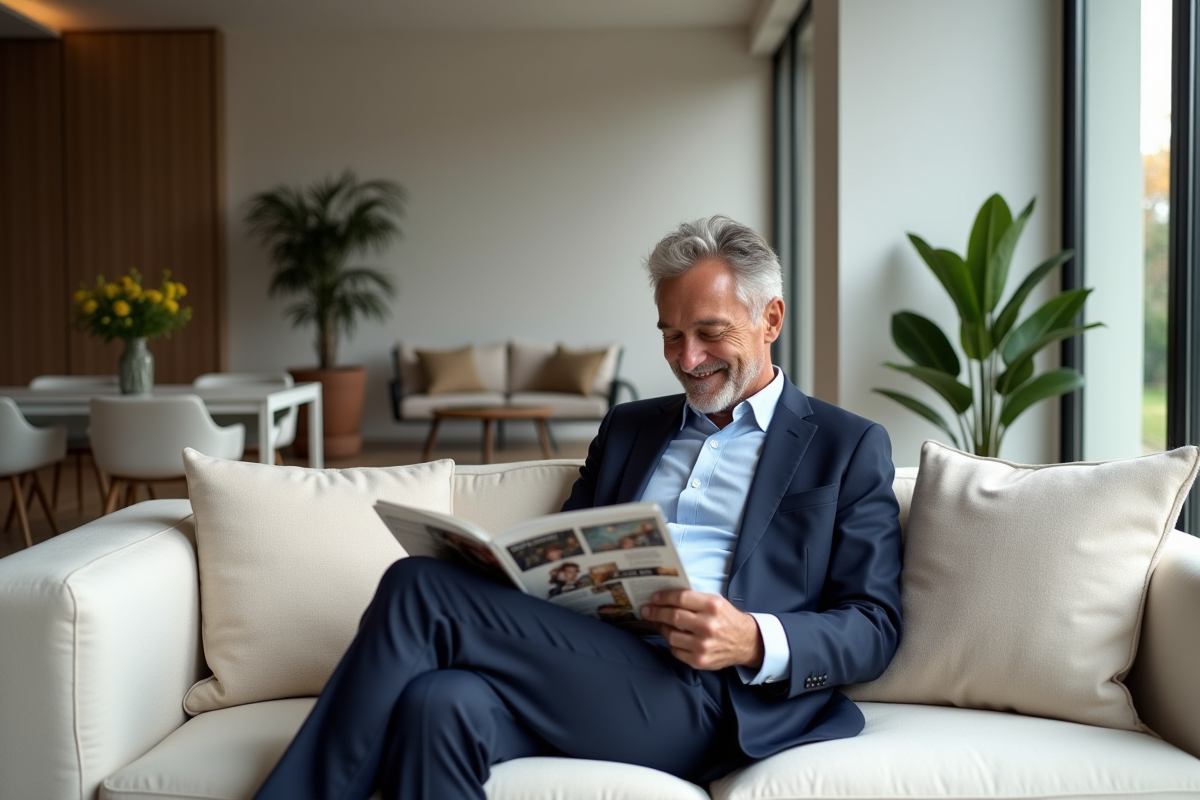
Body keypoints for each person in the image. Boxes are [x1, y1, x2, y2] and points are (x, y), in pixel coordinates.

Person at [252, 215, 903, 800]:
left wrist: (752, 638)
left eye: (709, 333)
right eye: (671, 335)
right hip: (594, 665)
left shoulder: (845, 446)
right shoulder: (629, 428)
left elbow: (874, 623)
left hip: (714, 696)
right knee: (437, 702)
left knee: (419, 587)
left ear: (771, 320)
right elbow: (564, 547)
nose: (687, 359)